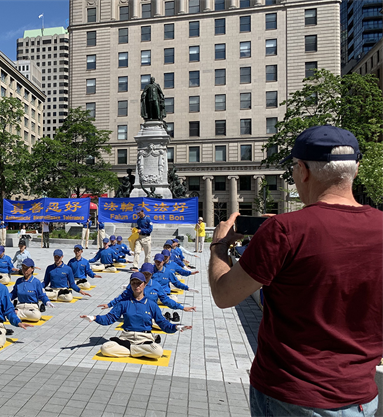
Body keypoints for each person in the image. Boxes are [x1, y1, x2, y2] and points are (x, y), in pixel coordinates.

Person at [208, 125, 382, 416]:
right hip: (361, 396)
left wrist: (218, 246)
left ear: (302, 170)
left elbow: (225, 295)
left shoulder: (285, 231)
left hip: (291, 395)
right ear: (356, 170)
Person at [80, 272, 191, 359]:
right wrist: (94, 317)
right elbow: (109, 318)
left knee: (158, 351)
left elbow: (162, 323)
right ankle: (137, 350)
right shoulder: (124, 303)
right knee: (105, 348)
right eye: (133, 283)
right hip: (126, 338)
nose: (136, 286)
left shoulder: (151, 304)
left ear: (144, 284)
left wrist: (175, 327)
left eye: (139, 283)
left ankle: (130, 350)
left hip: (144, 338)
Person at [98, 263, 196, 315]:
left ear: (152, 274)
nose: (145, 276)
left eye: (148, 274)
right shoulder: (134, 284)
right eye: (144, 273)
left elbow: (166, 300)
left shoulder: (156, 285)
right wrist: (109, 305)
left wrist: (182, 308)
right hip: (134, 313)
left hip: (149, 313)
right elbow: (122, 297)